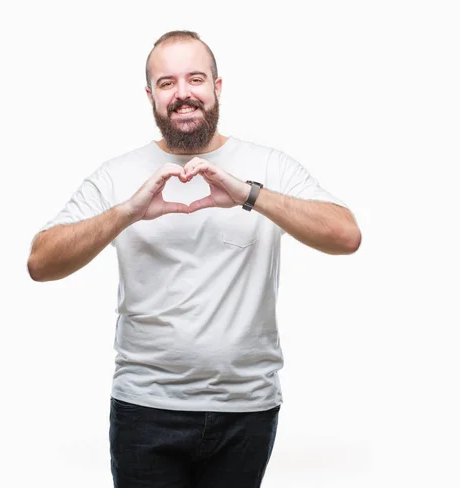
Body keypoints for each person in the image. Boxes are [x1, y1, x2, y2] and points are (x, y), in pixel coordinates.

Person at [27, 30, 361, 488]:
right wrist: (126, 213)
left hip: (246, 409)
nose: (183, 93)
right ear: (151, 96)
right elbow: (40, 263)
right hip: (145, 408)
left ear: (217, 87)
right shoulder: (118, 173)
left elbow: (345, 235)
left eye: (195, 79)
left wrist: (249, 195)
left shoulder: (267, 166)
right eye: (167, 83)